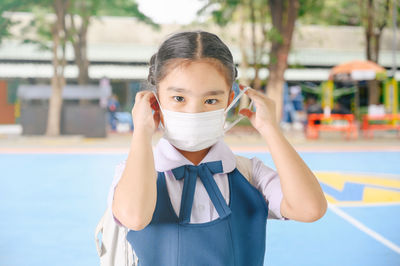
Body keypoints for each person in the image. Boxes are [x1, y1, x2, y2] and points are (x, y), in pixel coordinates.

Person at [108, 31, 327, 265]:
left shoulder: (250, 174)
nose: (194, 112)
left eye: (211, 101)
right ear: (155, 101)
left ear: (229, 101)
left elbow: (309, 209)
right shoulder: (134, 173)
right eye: (179, 98)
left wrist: (270, 129)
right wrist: (142, 131)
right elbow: (135, 217)